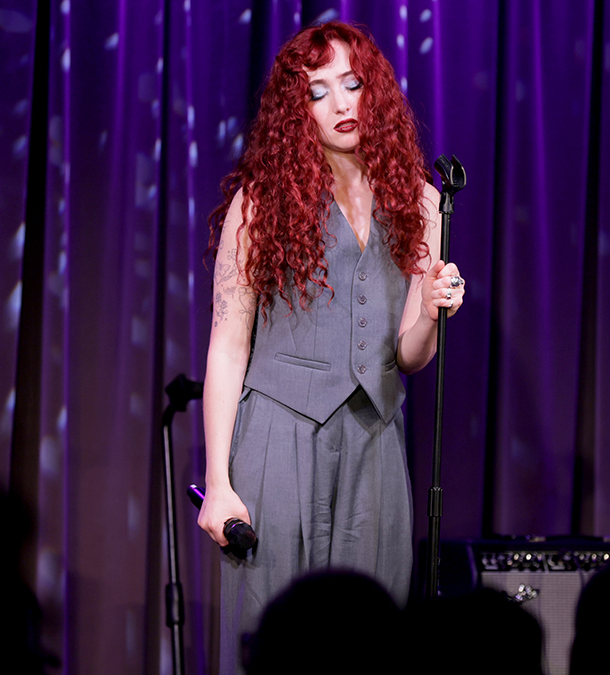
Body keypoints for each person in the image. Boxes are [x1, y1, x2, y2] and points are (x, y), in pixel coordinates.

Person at [196, 22, 464, 673]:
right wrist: (221, 482)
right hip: (278, 438)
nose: (343, 104)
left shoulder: (421, 202)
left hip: (373, 440)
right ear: (298, 110)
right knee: (270, 631)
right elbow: (228, 348)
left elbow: (410, 354)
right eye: (319, 92)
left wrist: (429, 309)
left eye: (353, 84)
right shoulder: (261, 203)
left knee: (368, 637)